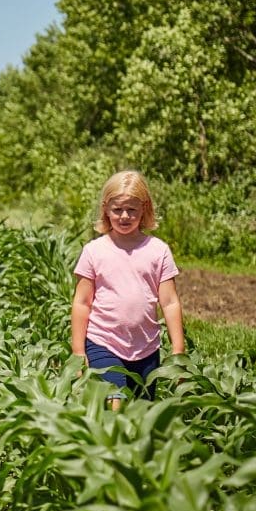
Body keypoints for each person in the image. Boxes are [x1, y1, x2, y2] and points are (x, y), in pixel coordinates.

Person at [71, 170, 185, 409]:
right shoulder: (94, 251)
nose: (124, 216)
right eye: (117, 210)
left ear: (144, 208)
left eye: (131, 210)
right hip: (103, 342)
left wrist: (178, 351)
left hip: (146, 347)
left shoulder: (158, 250)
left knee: (142, 412)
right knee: (115, 404)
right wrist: (78, 352)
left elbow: (170, 302)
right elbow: (82, 303)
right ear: (106, 209)